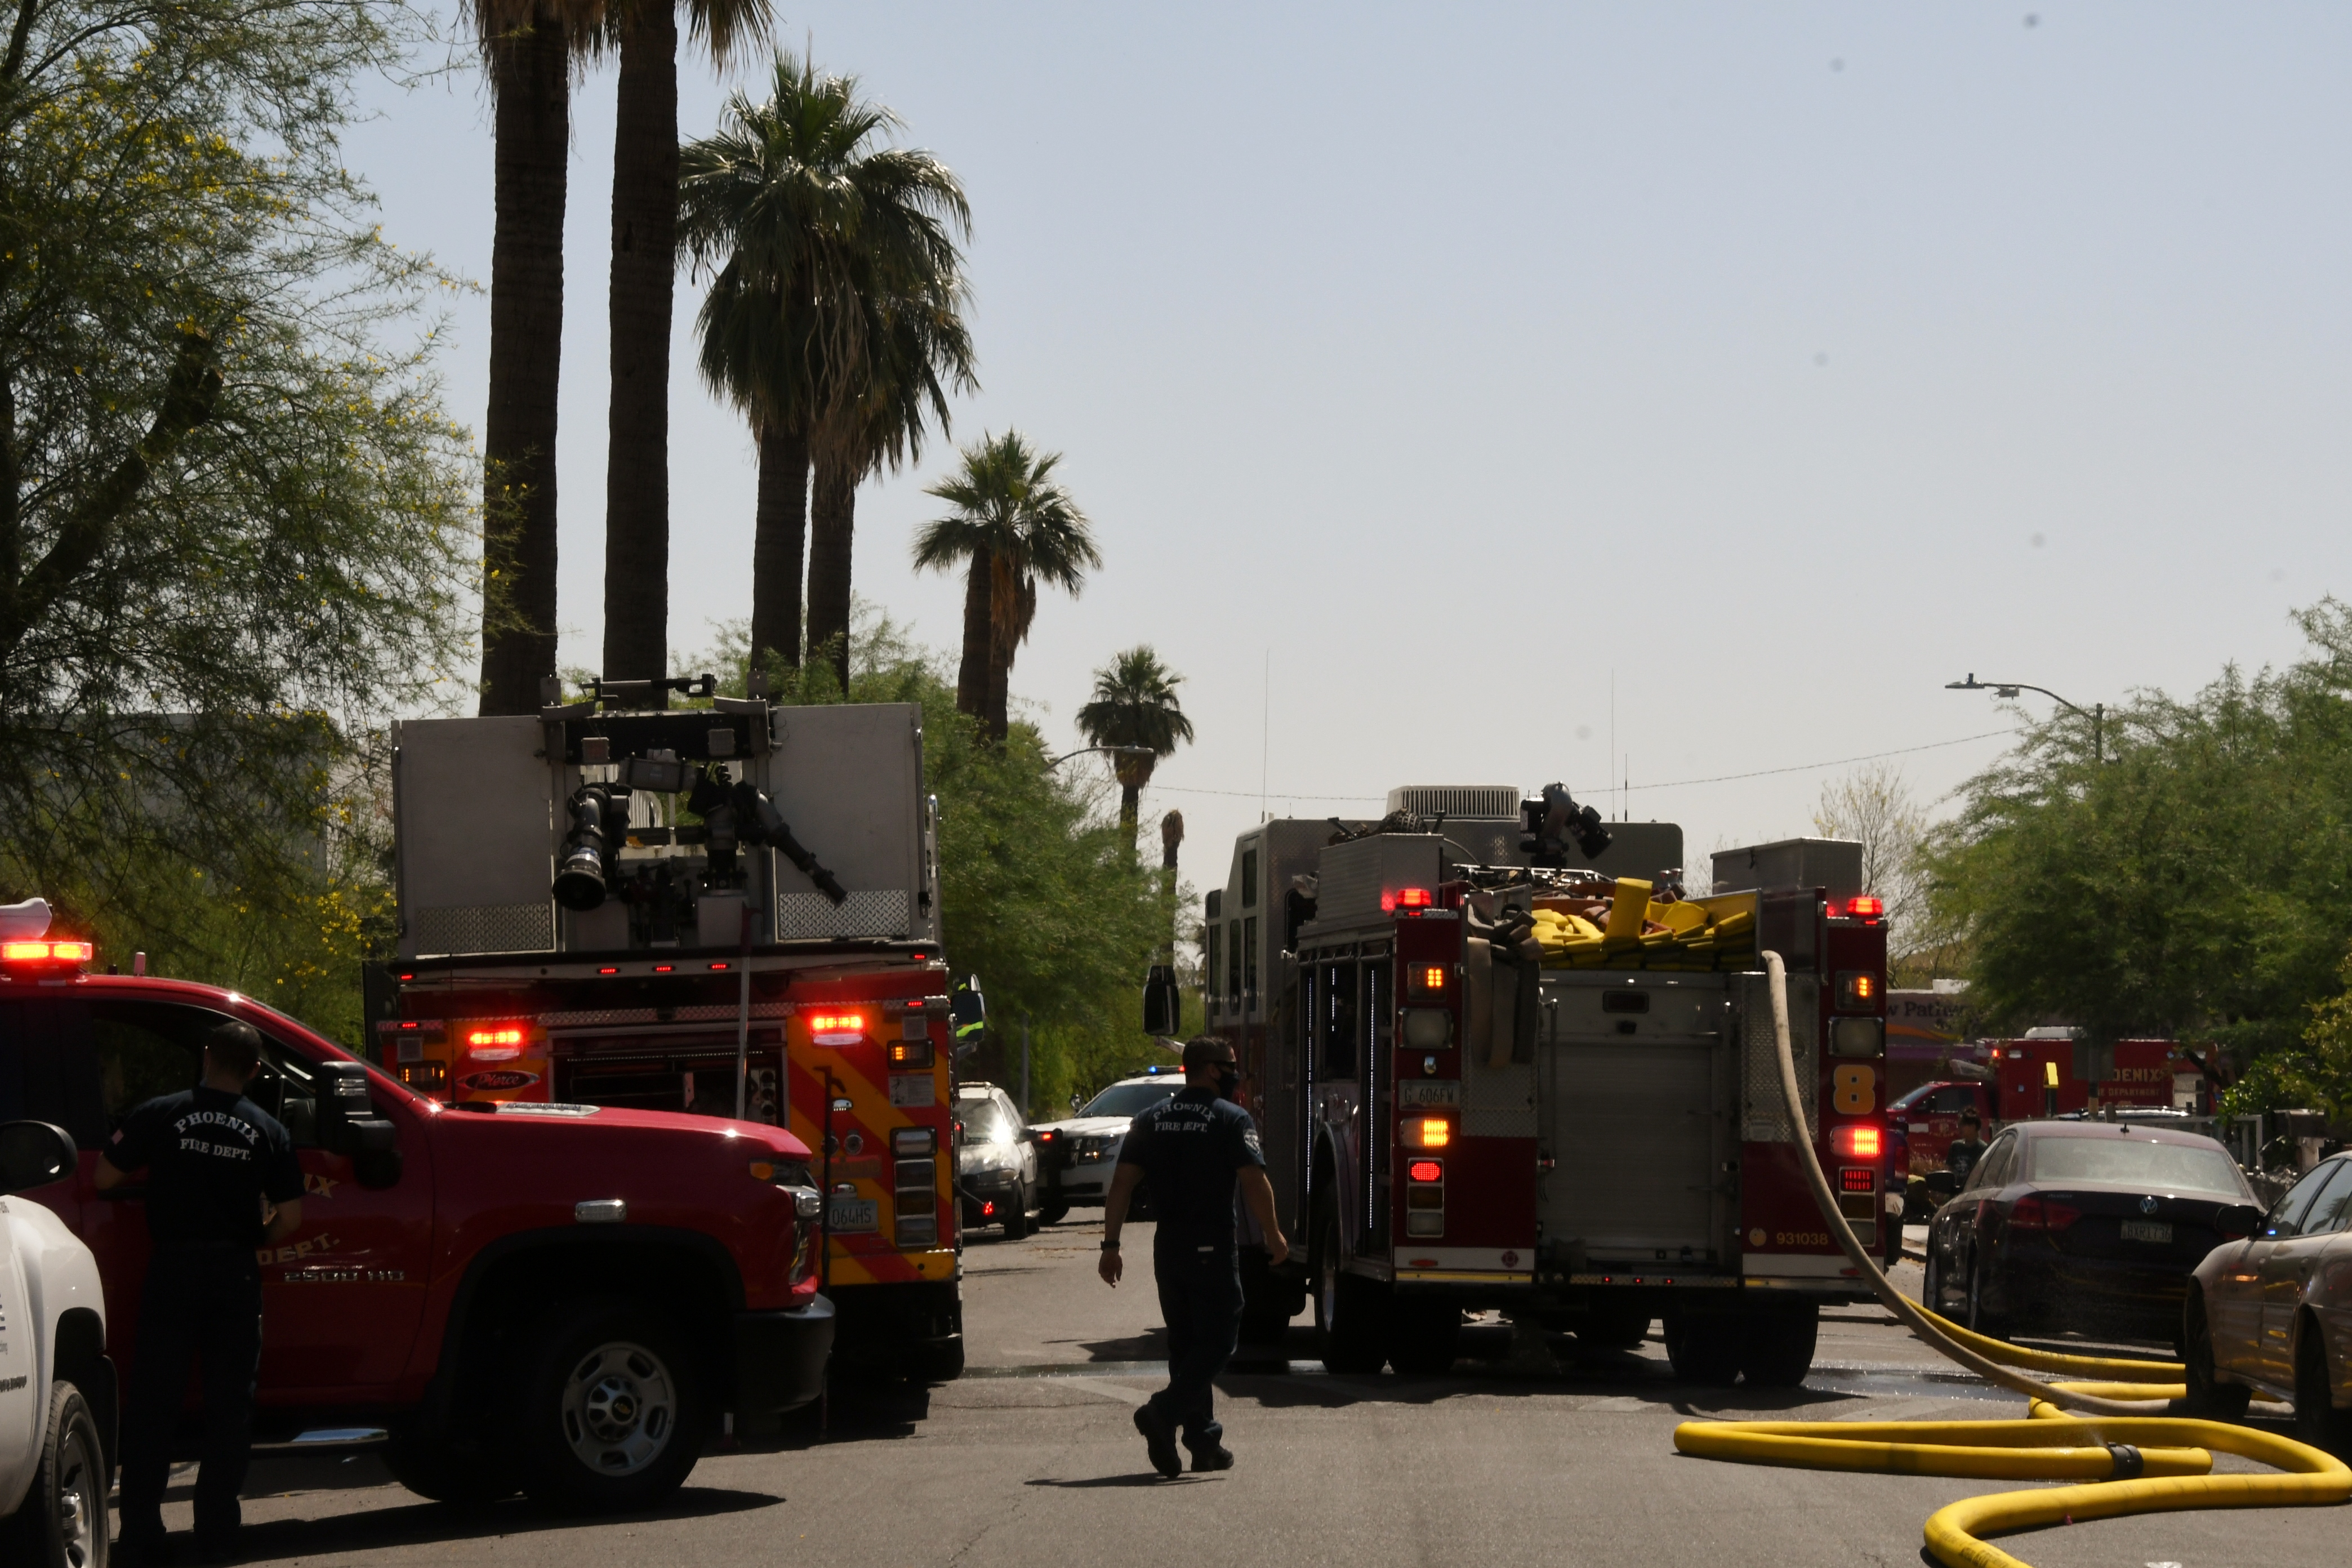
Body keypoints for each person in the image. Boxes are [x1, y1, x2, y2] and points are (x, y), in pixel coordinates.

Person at [97, 1020, 306, 1565]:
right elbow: (291, 1217)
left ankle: (141, 1534)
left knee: (153, 1406)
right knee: (230, 1410)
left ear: (207, 1056)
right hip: (233, 1275)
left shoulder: (161, 1112)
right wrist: (250, 1239)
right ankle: (216, 1534)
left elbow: (103, 1179)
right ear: (255, 1071)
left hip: (172, 1271)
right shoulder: (267, 1129)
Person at [1097, 1036, 1288, 1478]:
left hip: (1169, 1248)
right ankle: (1162, 1413)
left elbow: (1122, 1182)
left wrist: (1111, 1245)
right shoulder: (1230, 1118)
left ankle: (1204, 1443)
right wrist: (1274, 1235)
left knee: (1186, 1346)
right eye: (1232, 1066)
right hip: (1212, 1245)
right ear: (1211, 1069)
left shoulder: (1150, 1118)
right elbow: (1254, 1180)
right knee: (1219, 1341)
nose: (1238, 1074)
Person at [1945, 1108, 1990, 1186]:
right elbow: (1949, 1170)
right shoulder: (1955, 1146)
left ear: (1973, 1127)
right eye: (1958, 1125)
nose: (1959, 1128)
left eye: (1962, 1125)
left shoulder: (1983, 1149)